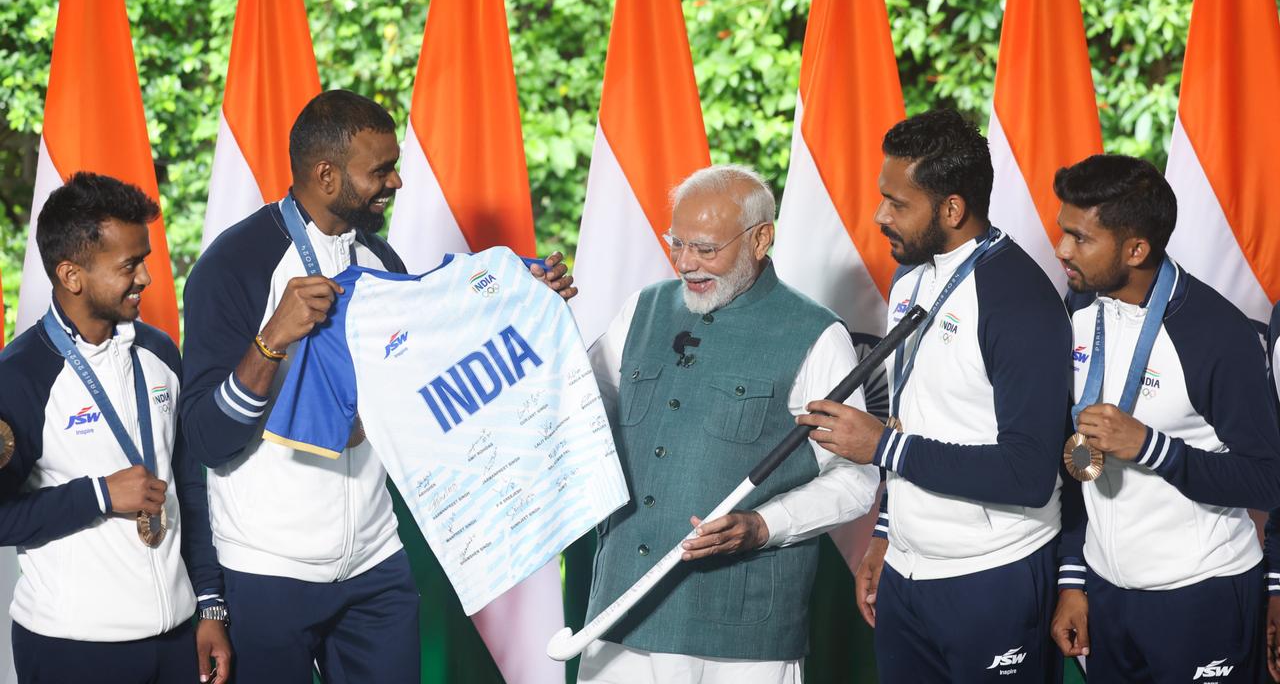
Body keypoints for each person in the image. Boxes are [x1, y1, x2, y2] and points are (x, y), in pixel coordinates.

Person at [178, 90, 575, 683]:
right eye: (380, 170)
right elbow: (208, 439)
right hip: (268, 567)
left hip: (375, 559)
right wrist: (271, 341)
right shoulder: (233, 265)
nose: (396, 183)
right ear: (326, 174)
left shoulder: (380, 258)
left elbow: (420, 379)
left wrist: (521, 304)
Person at [576, 164, 880, 684]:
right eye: (677, 244)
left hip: (740, 636)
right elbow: (577, 414)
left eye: (705, 249)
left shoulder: (815, 335)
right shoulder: (641, 311)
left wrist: (764, 527)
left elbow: (857, 481)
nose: (686, 263)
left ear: (761, 239)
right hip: (618, 614)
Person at [797, 110, 1070, 683]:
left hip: (994, 575)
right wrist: (883, 534)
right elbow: (916, 416)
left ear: (951, 209)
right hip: (908, 568)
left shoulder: (1018, 299)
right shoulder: (911, 278)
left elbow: (1029, 472)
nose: (879, 216)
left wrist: (883, 448)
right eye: (883, 198)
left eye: (898, 204)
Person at [1045, 155, 1280, 683]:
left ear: (1136, 249)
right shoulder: (1080, 305)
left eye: (1080, 238)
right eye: (1064, 232)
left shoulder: (1218, 334)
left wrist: (1153, 447)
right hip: (1107, 591)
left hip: (1201, 593)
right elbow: (1081, 462)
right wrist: (1075, 578)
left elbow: (1267, 478)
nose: (1061, 250)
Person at [0, 172, 230, 683]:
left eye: (144, 260)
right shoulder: (20, 377)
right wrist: (99, 496)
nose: (145, 277)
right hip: (72, 650)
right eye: (129, 265)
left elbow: (190, 490)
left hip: (175, 640)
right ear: (71, 274)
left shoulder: (160, 350)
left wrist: (210, 605)